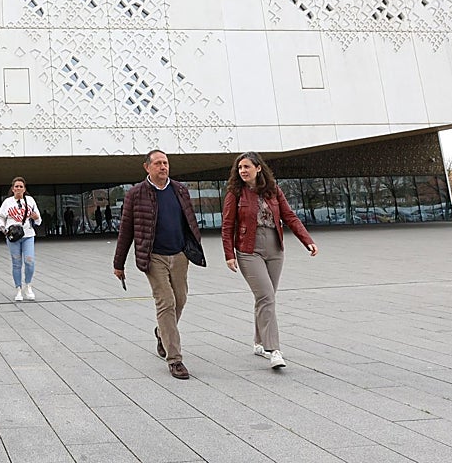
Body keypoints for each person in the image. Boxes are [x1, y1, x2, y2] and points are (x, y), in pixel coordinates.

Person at [221, 151, 318, 370]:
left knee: (266, 297)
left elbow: (289, 216)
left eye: (247, 167)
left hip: (275, 248)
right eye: (240, 168)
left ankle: (258, 342)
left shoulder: (273, 190)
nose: (242, 171)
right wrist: (229, 254)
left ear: (258, 168)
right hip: (248, 250)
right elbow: (227, 226)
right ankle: (273, 350)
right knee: (266, 296)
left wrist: (307, 240)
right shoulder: (235, 193)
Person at [113, 149, 203, 380]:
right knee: (166, 302)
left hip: (180, 255)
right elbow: (126, 230)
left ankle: (161, 332)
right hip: (154, 256)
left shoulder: (180, 190)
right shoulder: (136, 194)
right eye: (158, 163)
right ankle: (175, 359)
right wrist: (119, 263)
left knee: (180, 299)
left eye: (166, 163)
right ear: (147, 167)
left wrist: (193, 247)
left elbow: (190, 222)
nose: (163, 167)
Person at [0, 177, 42, 301]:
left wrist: (36, 217)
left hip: (28, 235)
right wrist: (1, 227)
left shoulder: (30, 201)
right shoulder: (7, 202)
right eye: (16, 186)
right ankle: (18, 289)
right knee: (16, 263)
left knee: (29, 261)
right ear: (12, 188)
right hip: (13, 236)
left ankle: (28, 285)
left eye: (21, 186)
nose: (18, 188)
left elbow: (38, 220)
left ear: (24, 189)